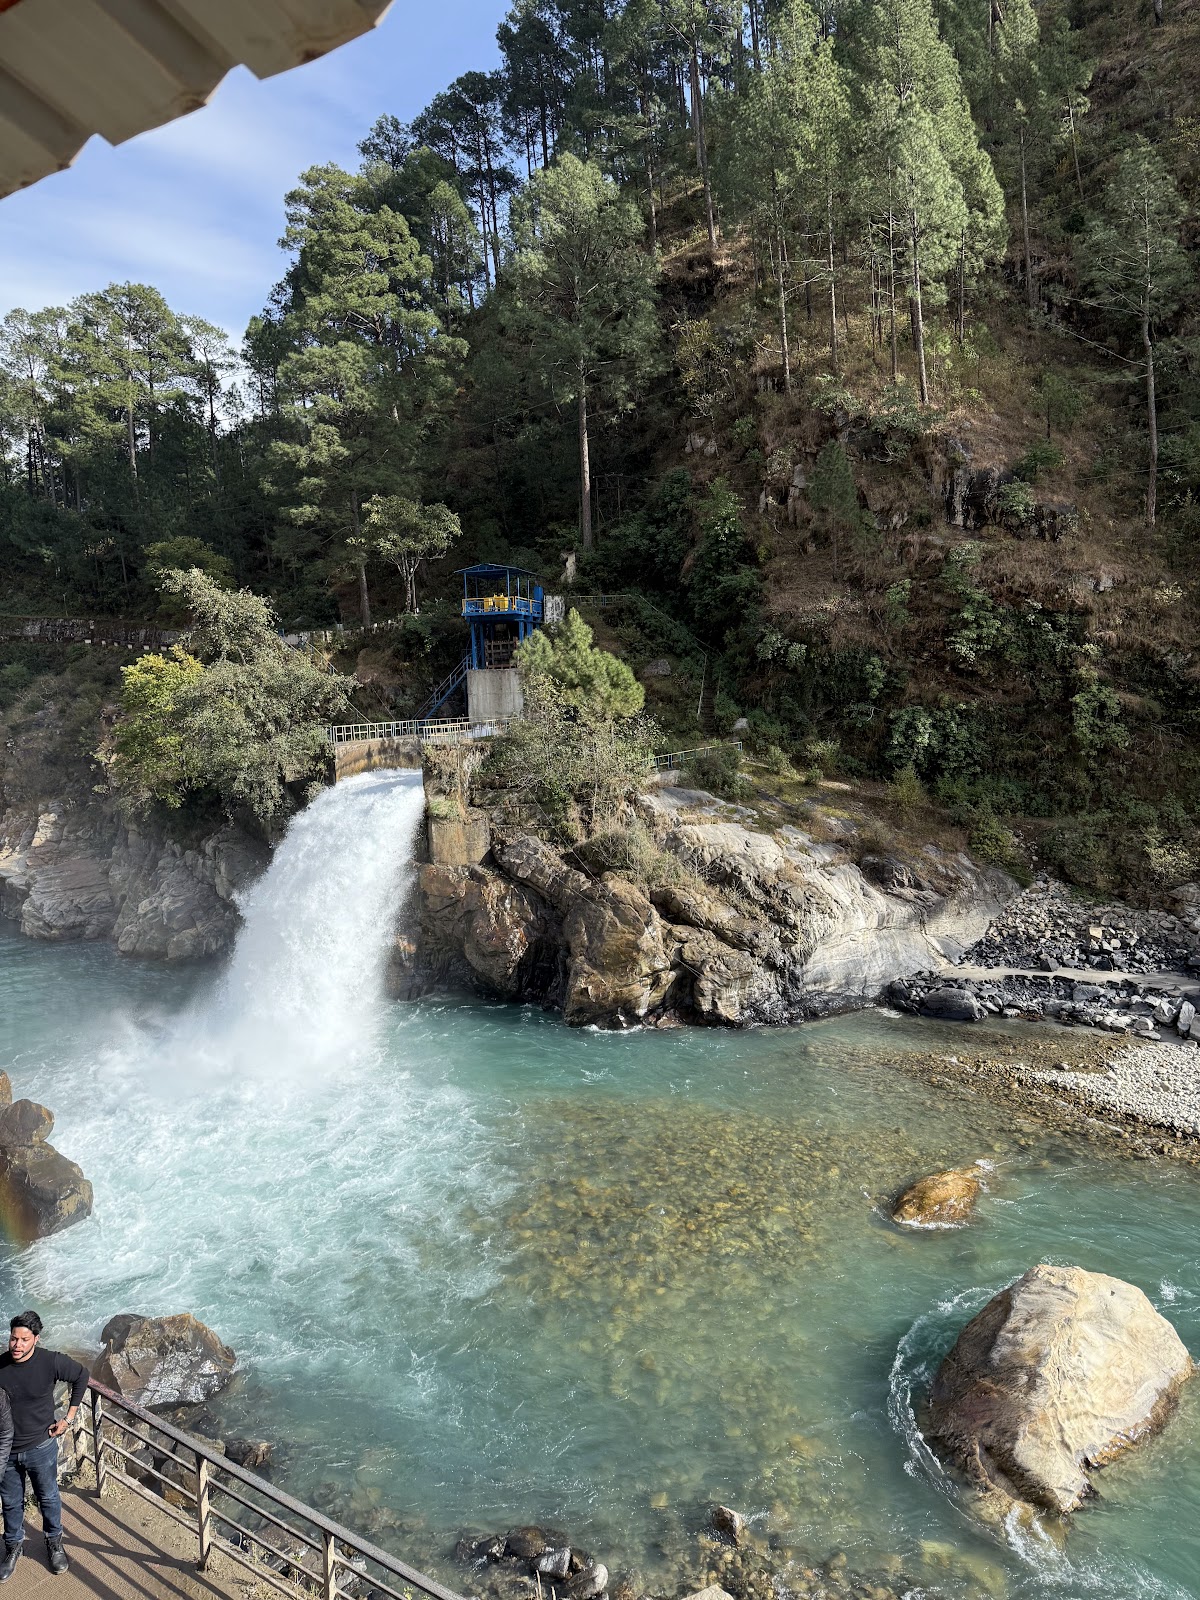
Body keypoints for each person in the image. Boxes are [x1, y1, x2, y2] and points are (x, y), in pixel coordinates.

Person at [0, 1312, 88, 1579]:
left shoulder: (51, 1361)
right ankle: (13, 1546)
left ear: (36, 1339)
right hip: (6, 1452)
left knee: (48, 1497)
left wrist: (68, 1419)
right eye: (13, 1338)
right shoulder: (0, 1365)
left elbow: (82, 1375)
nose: (17, 1345)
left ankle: (54, 1542)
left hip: (41, 1446)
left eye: (24, 1340)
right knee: (10, 1503)